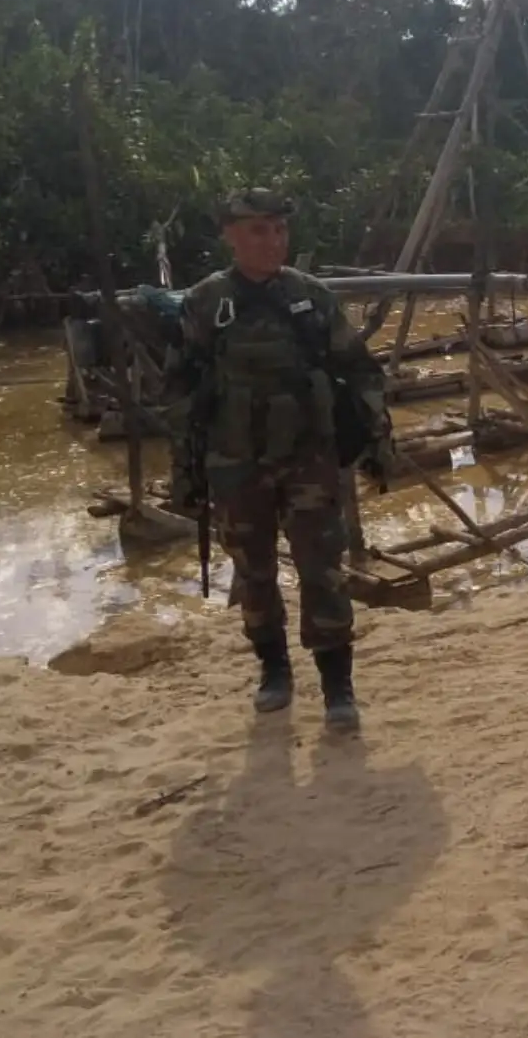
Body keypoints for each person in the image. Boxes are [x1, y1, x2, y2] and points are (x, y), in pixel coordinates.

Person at [164, 188, 394, 733]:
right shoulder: (205, 302)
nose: (273, 241)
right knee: (254, 573)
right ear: (231, 236)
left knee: (323, 571)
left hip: (308, 460)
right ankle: (274, 672)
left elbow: (360, 370)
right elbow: (179, 391)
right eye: (259, 231)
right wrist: (186, 470)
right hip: (235, 462)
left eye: (280, 230)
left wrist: (376, 439)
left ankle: (338, 685)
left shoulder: (312, 298)